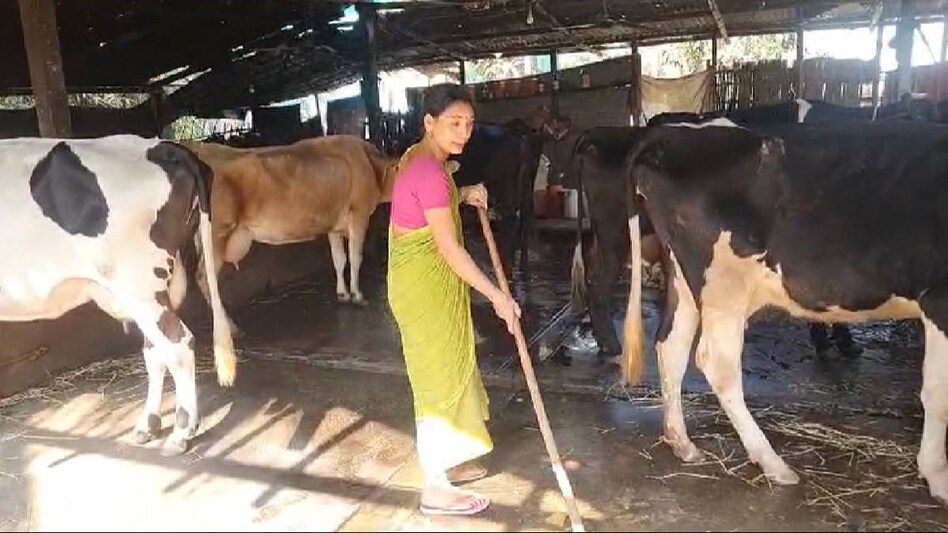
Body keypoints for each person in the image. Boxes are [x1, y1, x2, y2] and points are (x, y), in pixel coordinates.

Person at [387, 83, 522, 516]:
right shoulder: (429, 171)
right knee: (436, 380)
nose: (463, 132)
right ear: (429, 122)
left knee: (445, 369)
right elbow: (449, 249)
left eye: (469, 123)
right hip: (424, 288)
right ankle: (435, 487)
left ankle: (449, 457)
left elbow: (428, 206)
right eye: (454, 123)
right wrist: (497, 296)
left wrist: (463, 193)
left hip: (417, 283)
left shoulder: (422, 158)